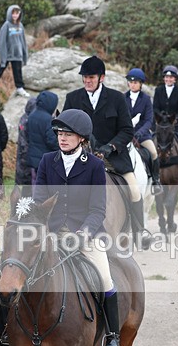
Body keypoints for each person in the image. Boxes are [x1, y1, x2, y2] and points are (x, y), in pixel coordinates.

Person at [33, 109, 120, 346]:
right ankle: (12, 327)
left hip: (86, 234)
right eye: (60, 133)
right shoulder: (47, 161)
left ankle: (112, 336)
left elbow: (98, 209)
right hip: (52, 232)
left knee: (104, 278)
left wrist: (83, 233)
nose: (62, 137)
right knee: (25, 268)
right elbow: (39, 200)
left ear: (81, 138)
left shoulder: (94, 166)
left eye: (68, 134)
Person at [63, 56, 148, 247]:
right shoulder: (73, 98)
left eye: (91, 77)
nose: (87, 81)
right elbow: (64, 129)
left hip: (114, 159)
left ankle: (139, 231)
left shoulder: (117, 98)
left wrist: (110, 146)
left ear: (102, 77)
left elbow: (127, 130)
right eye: (84, 77)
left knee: (134, 191)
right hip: (80, 157)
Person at [152, 65, 178, 178]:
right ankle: (149, 167)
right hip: (161, 124)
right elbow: (155, 107)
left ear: (175, 79)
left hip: (176, 124)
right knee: (150, 142)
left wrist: (173, 118)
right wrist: (161, 116)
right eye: (166, 77)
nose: (168, 79)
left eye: (171, 77)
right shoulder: (158, 90)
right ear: (164, 78)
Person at [125, 68, 161, 193]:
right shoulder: (123, 98)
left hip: (143, 134)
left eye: (136, 82)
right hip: (126, 134)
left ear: (140, 84)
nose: (133, 84)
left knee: (153, 153)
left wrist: (140, 132)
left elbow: (149, 119)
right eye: (131, 82)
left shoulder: (146, 99)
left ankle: (156, 181)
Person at [0, 5, 29, 98]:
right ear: (10, 13)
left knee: (17, 71)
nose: (15, 15)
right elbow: (2, 41)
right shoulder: (6, 25)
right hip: (7, 54)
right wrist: (3, 55)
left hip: (17, 54)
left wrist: (25, 54)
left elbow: (23, 41)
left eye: (17, 13)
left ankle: (20, 88)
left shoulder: (20, 25)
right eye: (13, 13)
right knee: (1, 69)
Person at [25, 90, 59, 183]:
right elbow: (52, 141)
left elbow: (27, 135)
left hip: (33, 158)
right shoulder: (48, 120)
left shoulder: (31, 116)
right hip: (46, 159)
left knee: (35, 181)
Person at [14, 97, 37, 196]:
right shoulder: (29, 120)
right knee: (28, 182)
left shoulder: (24, 117)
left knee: (26, 183)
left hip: (23, 153)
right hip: (27, 154)